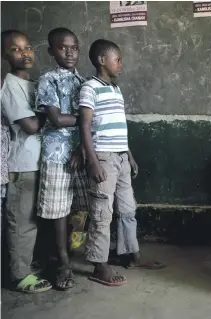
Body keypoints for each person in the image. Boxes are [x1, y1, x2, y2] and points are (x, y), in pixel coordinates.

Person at [79, 39, 163, 287]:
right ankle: (99, 265)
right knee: (102, 213)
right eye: (118, 59)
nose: (121, 65)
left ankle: (131, 255)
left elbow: (119, 127)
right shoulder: (89, 88)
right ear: (102, 60)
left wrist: (130, 155)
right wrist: (92, 161)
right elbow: (84, 126)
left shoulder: (115, 90)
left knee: (128, 209)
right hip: (103, 158)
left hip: (121, 157)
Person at [35, 27, 89, 290]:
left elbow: (90, 125)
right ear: (51, 51)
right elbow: (56, 119)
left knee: (80, 207)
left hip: (81, 152)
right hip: (57, 154)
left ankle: (72, 251)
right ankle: (62, 262)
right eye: (62, 47)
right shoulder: (48, 80)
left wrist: (81, 148)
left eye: (74, 47)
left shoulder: (85, 83)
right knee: (57, 210)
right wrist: (85, 120)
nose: (69, 52)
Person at [1, 29, 51, 293]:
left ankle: (27, 265)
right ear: (4, 56)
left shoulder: (33, 85)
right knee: (22, 223)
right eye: (15, 49)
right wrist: (51, 115)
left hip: (39, 162)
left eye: (28, 47)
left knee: (35, 219)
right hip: (21, 165)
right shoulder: (9, 86)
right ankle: (19, 275)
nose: (24, 52)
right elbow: (30, 125)